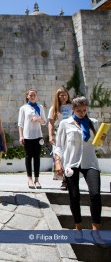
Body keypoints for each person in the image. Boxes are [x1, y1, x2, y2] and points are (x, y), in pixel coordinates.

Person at [54, 96, 105, 233]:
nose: (82, 113)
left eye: (84, 110)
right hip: (72, 163)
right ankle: (78, 227)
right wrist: (58, 163)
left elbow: (98, 147)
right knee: (74, 196)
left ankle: (96, 229)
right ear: (73, 109)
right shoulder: (65, 124)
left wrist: (101, 140)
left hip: (90, 162)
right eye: (79, 110)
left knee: (95, 194)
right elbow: (58, 146)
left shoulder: (93, 122)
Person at [18, 88, 47, 189]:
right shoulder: (23, 108)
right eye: (30, 95)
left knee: (37, 158)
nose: (32, 97)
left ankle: (37, 179)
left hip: (38, 135)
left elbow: (44, 121)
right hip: (27, 136)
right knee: (28, 157)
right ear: (27, 96)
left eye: (34, 95)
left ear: (36, 96)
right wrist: (21, 136)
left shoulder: (40, 107)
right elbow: (20, 124)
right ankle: (29, 178)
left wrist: (38, 119)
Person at [48, 87, 73, 190]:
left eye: (65, 94)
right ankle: (62, 178)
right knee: (59, 157)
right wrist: (50, 135)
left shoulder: (72, 106)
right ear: (57, 96)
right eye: (61, 95)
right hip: (58, 134)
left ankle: (67, 180)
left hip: (71, 133)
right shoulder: (53, 108)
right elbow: (50, 123)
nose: (63, 96)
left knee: (69, 157)